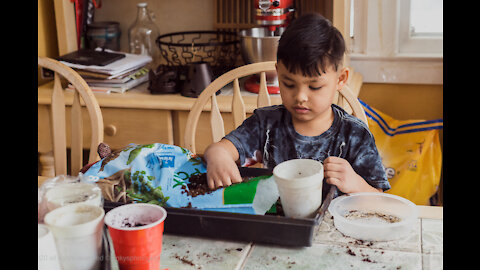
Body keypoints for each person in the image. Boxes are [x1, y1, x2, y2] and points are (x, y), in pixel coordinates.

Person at [203, 13, 390, 194]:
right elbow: (220, 149)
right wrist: (218, 156)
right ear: (278, 73)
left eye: (314, 87)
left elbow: (377, 199)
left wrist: (355, 184)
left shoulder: (354, 135)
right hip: (279, 222)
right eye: (289, 84)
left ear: (340, 79)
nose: (300, 96)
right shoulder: (265, 124)